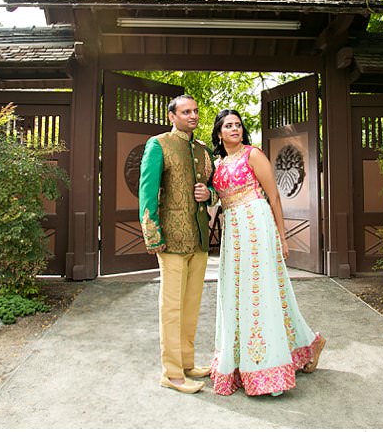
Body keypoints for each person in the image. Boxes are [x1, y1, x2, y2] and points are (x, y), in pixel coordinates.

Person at [209, 109, 326, 397]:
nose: (235, 129)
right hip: (233, 231)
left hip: (256, 226)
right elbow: (216, 200)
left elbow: (273, 195)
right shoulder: (218, 163)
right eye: (228, 125)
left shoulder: (253, 155)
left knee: (260, 294)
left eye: (238, 124)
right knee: (236, 295)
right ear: (219, 133)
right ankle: (307, 343)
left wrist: (282, 237)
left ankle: (265, 366)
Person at [138, 95, 215, 394]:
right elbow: (147, 191)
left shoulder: (201, 149)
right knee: (171, 306)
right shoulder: (158, 144)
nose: (192, 116)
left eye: (195, 111)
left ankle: (186, 362)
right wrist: (152, 233)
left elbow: (212, 186)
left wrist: (207, 193)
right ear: (172, 116)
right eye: (186, 112)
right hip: (171, 237)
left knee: (192, 304)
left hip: (198, 236)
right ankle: (171, 373)